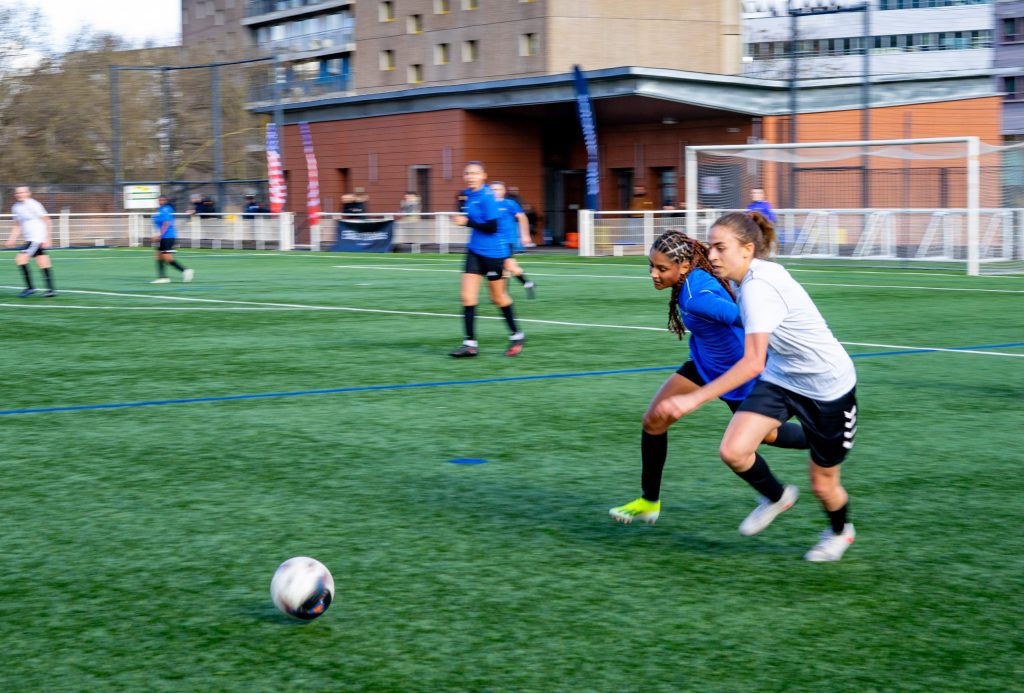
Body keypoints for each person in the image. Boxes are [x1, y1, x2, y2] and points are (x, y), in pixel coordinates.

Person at [653, 212, 858, 562]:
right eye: (711, 246)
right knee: (734, 450)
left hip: (827, 386)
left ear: (747, 249)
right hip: (782, 378)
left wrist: (692, 400)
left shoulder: (759, 289)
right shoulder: (749, 279)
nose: (711, 255)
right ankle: (776, 496)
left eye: (720, 248)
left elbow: (752, 363)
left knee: (824, 486)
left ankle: (840, 531)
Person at [609, 229, 807, 525]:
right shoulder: (693, 280)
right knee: (654, 420)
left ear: (684, 266)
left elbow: (741, 315)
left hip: (738, 373)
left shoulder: (695, 296)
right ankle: (649, 501)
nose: (653, 274)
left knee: (765, 436)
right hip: (704, 364)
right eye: (651, 266)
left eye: (662, 268)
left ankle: (813, 451)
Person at [450, 161, 525, 358]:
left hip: (494, 253)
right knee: (467, 297)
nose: (470, 176)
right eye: (467, 173)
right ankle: (470, 344)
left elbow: (491, 227)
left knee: (498, 298)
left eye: (475, 173)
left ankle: (517, 334)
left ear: (484, 176)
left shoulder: (487, 197)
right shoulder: (469, 194)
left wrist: (466, 222)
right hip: (474, 251)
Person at [5, 186, 56, 298]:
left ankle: (30, 288)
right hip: (30, 239)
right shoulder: (16, 207)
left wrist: (48, 238)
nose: (20, 194)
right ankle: (51, 290)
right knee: (43, 262)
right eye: (17, 193)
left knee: (20, 259)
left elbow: (47, 220)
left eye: (22, 192)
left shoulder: (34, 205)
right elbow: (18, 225)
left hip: (36, 238)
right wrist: (12, 238)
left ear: (28, 193)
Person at [490, 181, 536, 299]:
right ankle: (526, 283)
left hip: (506, 241)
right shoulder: (488, 205)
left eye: (498, 189)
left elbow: (522, 217)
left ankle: (503, 293)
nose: (495, 192)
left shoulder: (510, 204)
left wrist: (525, 235)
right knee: (502, 267)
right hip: (491, 242)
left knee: (508, 266)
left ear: (504, 191)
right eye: (493, 189)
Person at [151, 195, 194, 285]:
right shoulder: (160, 209)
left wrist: (159, 235)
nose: (160, 201)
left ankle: (185, 270)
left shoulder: (166, 209)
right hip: (164, 236)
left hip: (168, 236)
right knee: (158, 256)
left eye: (162, 200)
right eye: (159, 199)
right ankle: (163, 278)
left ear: (166, 200)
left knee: (167, 258)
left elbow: (166, 223)